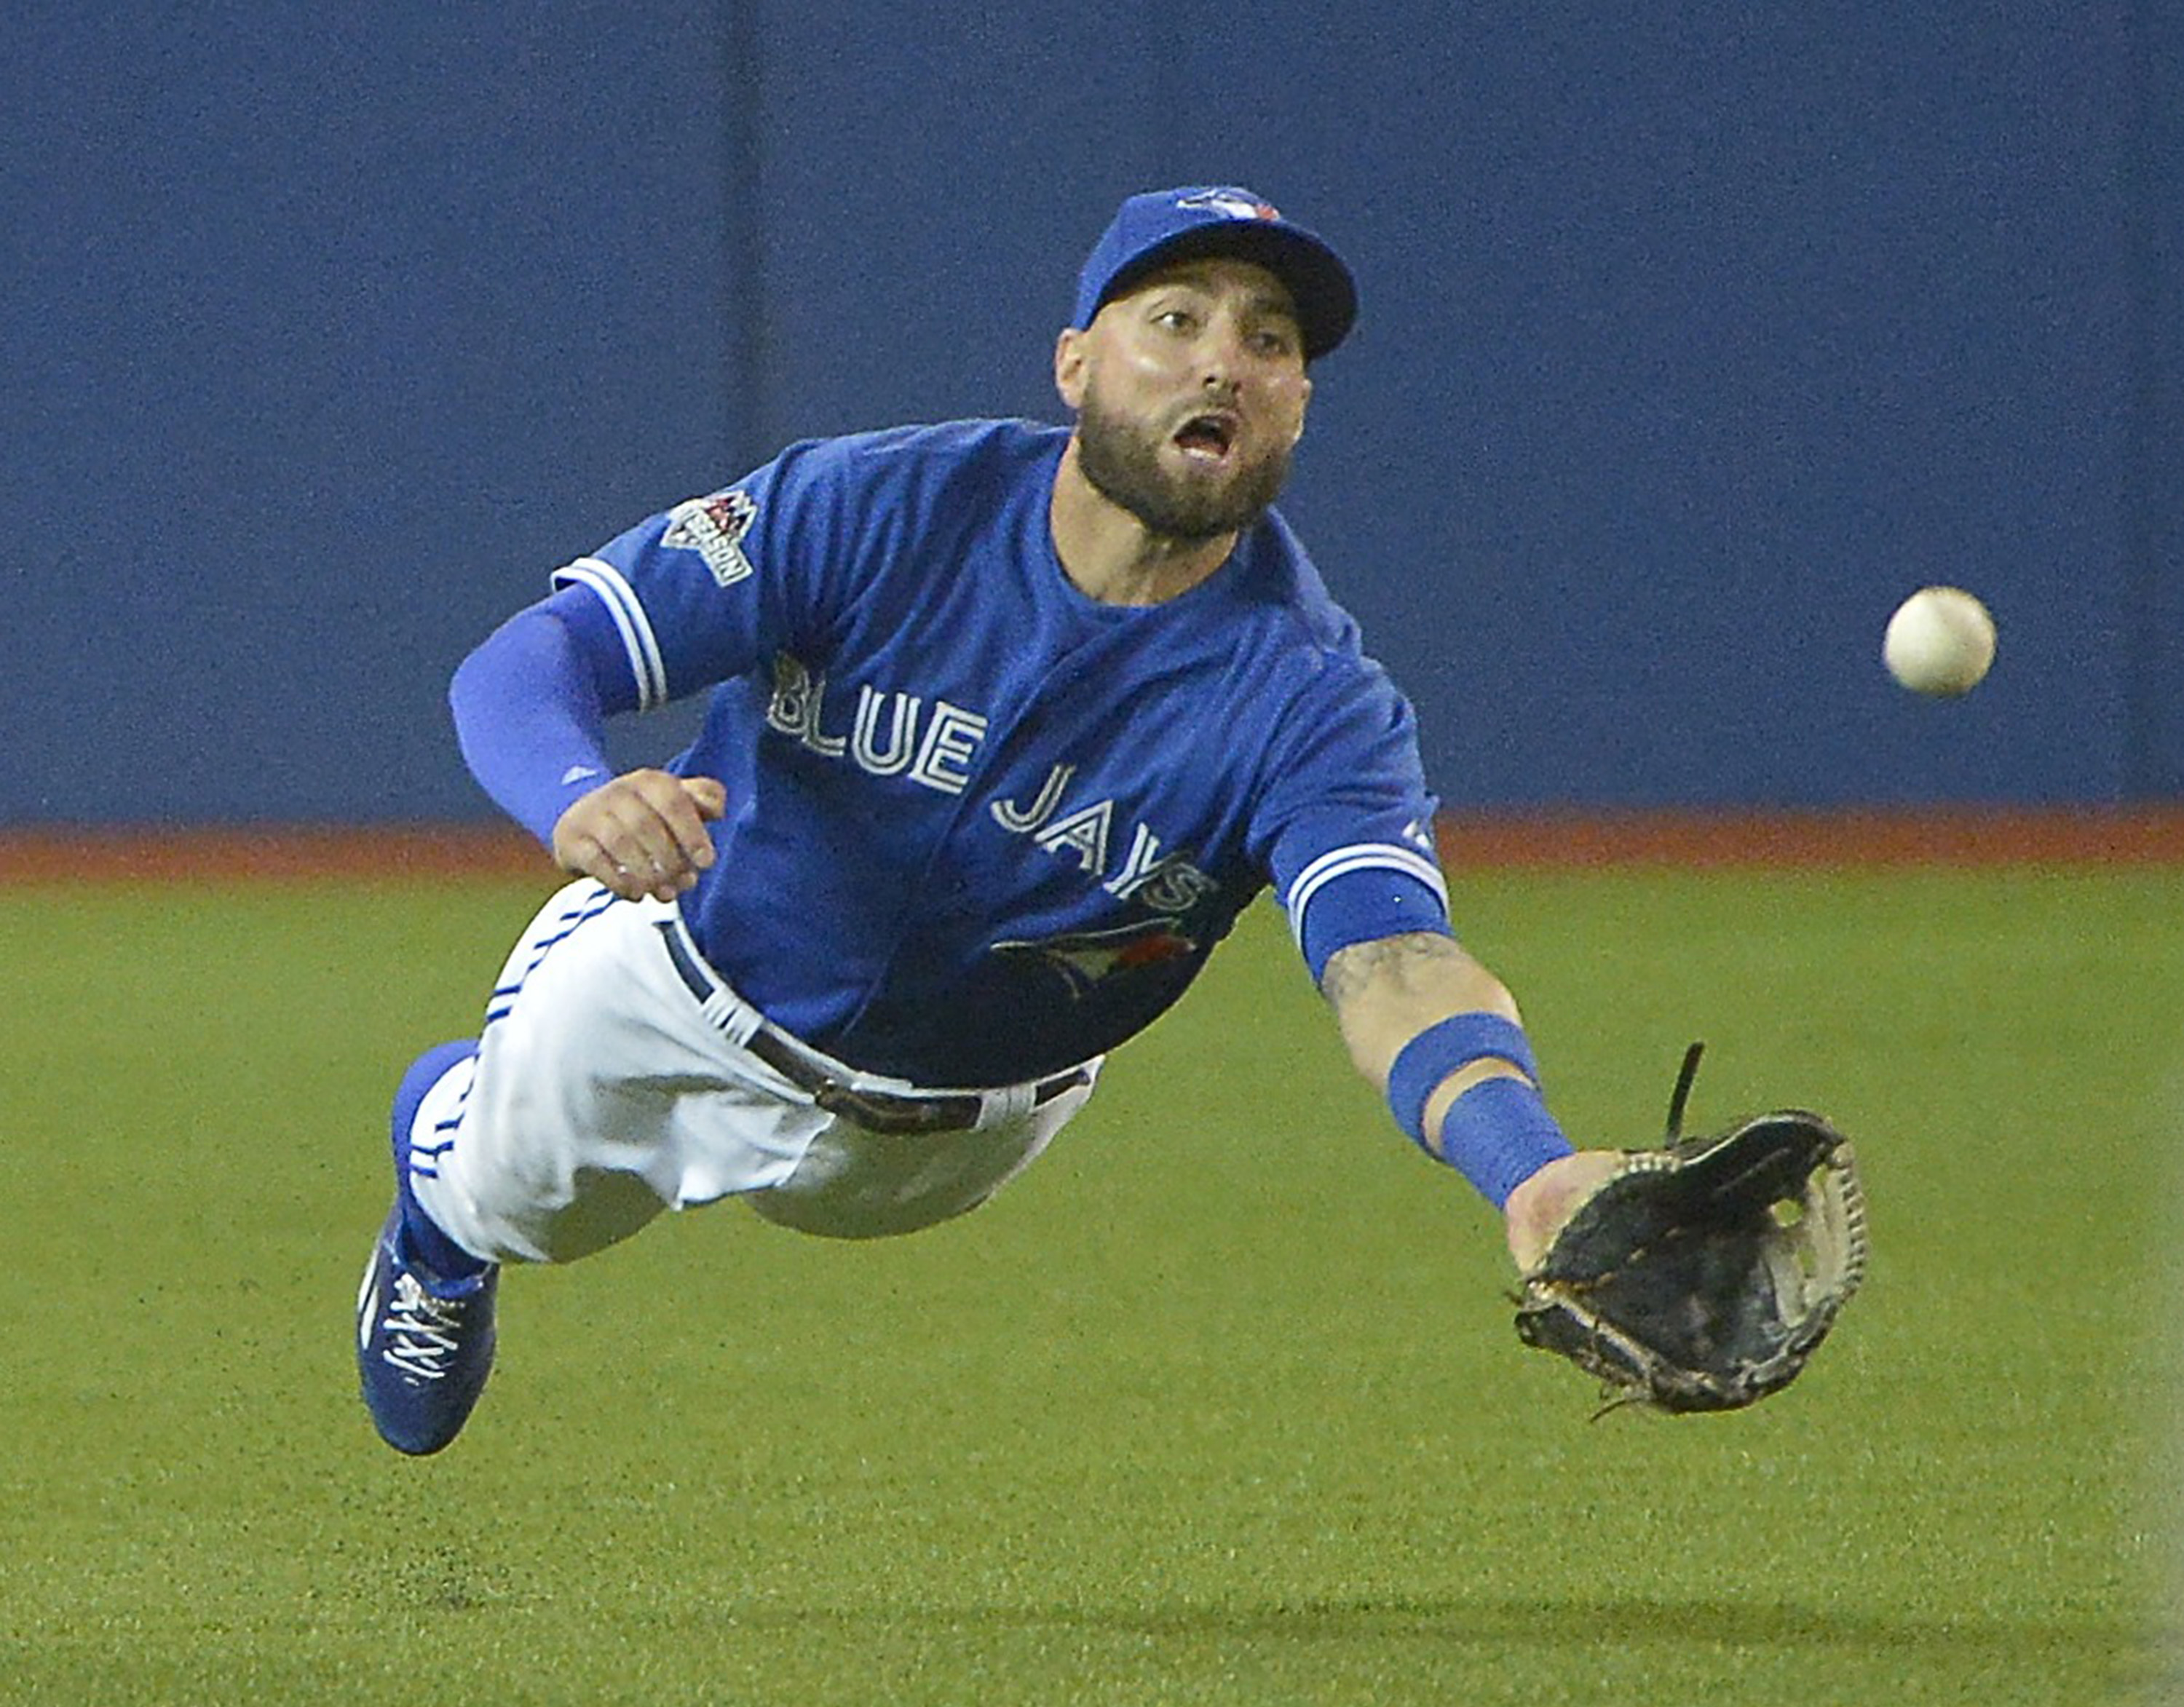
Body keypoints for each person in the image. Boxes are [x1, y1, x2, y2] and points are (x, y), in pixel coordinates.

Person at [356, 184, 1618, 1456]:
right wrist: (581, 798)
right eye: (1176, 319)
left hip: (961, 1133)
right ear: (1076, 364)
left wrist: (1533, 1168)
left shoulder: (1312, 705)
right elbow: (530, 661)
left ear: (1297, 403)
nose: (1223, 364)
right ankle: (438, 1202)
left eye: (1270, 341)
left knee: (845, 1200)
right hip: (675, 992)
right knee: (513, 1208)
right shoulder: (877, 507)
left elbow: (1394, 966)